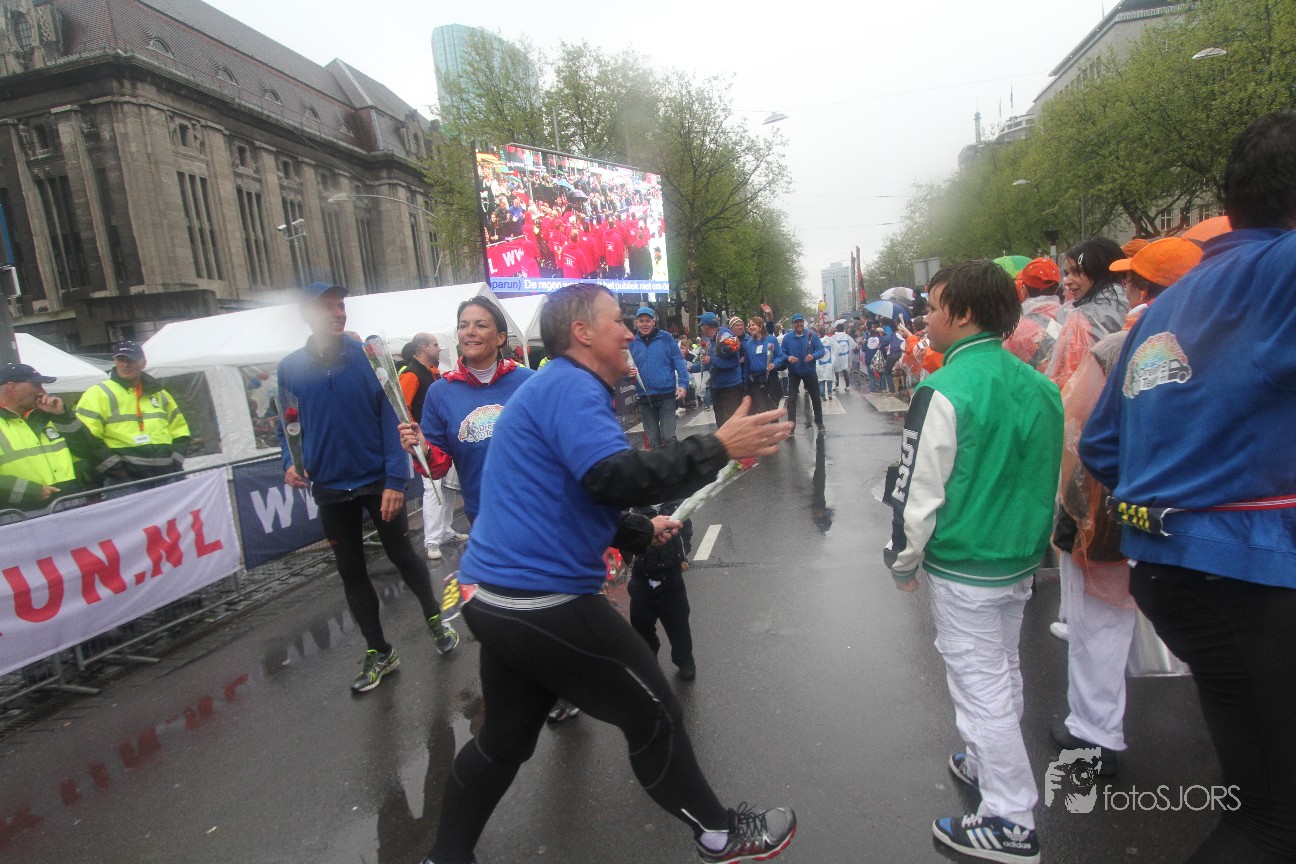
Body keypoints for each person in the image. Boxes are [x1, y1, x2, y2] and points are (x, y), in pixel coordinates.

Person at [423, 282, 796, 864]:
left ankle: (445, 857)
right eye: (616, 320)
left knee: (503, 743)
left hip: (497, 598)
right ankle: (721, 834)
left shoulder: (555, 384)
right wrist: (717, 447)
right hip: (537, 600)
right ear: (582, 332)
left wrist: (639, 532)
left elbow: (570, 490)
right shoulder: (571, 386)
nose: (628, 332)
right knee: (654, 713)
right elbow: (612, 477)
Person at [1079, 111, 1296, 864]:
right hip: (1249, 576)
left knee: (1263, 810)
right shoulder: (1281, 271)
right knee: (1273, 824)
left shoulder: (1166, 307)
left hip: (1179, 571)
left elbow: (1102, 445)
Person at [884, 261, 1062, 863]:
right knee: (1002, 669)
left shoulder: (943, 389)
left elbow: (916, 490)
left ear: (960, 314)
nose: (926, 318)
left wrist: (903, 561)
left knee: (979, 683)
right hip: (1018, 558)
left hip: (966, 563)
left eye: (933, 307)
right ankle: (988, 762)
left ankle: (1010, 817)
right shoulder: (1039, 385)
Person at [1050, 236, 1203, 780]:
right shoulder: (1232, 341)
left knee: (1100, 622)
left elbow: (1078, 432)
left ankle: (1095, 735)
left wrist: (1076, 508)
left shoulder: (1116, 345)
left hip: (1112, 510)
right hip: (1207, 516)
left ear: (1140, 287)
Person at [278, 282, 458, 694]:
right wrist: (290, 461)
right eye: (328, 307)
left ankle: (435, 619)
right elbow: (287, 421)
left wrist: (395, 480)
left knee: (402, 555)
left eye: (341, 305)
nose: (339, 312)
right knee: (350, 570)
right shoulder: (290, 368)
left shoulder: (369, 357)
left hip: (377, 481)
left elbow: (393, 415)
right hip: (329, 485)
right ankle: (379, 650)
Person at [1, 363, 121, 512]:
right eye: (36, 385)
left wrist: (63, 416)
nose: (42, 391)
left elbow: (87, 448)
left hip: (72, 504)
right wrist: (31, 491)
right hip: (24, 514)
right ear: (12, 387)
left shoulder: (48, 415)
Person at [75, 340, 190, 490]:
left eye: (131, 360)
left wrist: (175, 463)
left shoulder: (161, 394)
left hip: (166, 475)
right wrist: (115, 469)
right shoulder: (97, 393)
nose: (125, 365)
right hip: (124, 481)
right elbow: (86, 438)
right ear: (115, 362)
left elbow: (180, 431)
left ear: (143, 363)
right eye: (120, 360)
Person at [400, 333, 469, 563]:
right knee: (433, 489)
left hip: (440, 440)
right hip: (425, 442)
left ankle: (445, 530)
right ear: (423, 348)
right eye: (435, 345)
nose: (439, 349)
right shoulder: (411, 374)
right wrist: (414, 434)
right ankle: (431, 540)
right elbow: (402, 408)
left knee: (446, 488)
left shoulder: (432, 372)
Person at [1046, 238, 1128, 390]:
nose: (1067, 281)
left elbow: (1063, 378)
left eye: (1077, 272)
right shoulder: (1136, 305)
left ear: (1099, 272)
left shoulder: (1077, 318)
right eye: (1067, 273)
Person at [628, 501, 695, 681]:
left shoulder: (675, 506)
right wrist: (632, 560)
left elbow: (686, 530)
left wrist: (681, 555)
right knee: (641, 625)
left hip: (671, 579)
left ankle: (684, 660)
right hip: (641, 580)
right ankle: (649, 664)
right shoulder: (632, 510)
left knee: (678, 624)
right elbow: (623, 538)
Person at [629, 305, 690, 447]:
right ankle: (661, 462)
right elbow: (625, 370)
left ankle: (675, 461)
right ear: (636, 323)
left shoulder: (666, 338)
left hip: (666, 396)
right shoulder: (631, 343)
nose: (645, 324)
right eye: (641, 321)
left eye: (648, 321)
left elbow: (679, 362)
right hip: (645, 398)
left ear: (654, 322)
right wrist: (626, 372)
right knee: (653, 441)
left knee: (668, 436)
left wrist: (683, 384)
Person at [1004, 257, 1064, 373]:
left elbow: (1005, 365)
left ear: (1024, 290)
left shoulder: (1016, 328)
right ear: (1057, 288)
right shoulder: (1072, 317)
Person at [689, 311, 743, 428]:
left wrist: (712, 360)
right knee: (721, 423)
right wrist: (691, 368)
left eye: (701, 325)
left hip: (730, 388)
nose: (701, 328)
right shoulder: (712, 341)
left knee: (730, 424)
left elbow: (734, 362)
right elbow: (707, 363)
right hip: (717, 387)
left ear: (706, 326)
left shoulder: (725, 337)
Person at [780, 313, 825, 432]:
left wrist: (813, 356)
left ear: (803, 322)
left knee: (815, 397)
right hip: (794, 372)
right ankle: (791, 426)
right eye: (796, 322)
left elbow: (821, 350)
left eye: (800, 322)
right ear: (793, 324)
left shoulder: (812, 335)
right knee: (791, 399)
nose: (799, 324)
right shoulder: (787, 337)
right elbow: (781, 353)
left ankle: (819, 422)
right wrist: (788, 357)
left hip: (809, 371)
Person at [744, 316, 783, 412]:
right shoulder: (749, 344)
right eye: (750, 325)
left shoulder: (771, 339)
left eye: (753, 325)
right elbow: (747, 364)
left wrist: (774, 364)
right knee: (762, 410)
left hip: (771, 378)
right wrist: (746, 382)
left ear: (760, 326)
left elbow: (780, 355)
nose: (751, 327)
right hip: (757, 381)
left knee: (773, 409)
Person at [831, 323, 857, 392]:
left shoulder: (834, 337)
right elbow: (854, 345)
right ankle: (847, 386)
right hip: (846, 357)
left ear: (837, 329)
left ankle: (837, 386)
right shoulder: (847, 337)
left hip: (837, 357)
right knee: (845, 371)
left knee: (836, 371)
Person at [815, 329, 835, 400]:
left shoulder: (817, 341)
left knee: (821, 380)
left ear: (819, 333)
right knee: (829, 379)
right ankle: (829, 393)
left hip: (820, 364)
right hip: (829, 362)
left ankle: (822, 396)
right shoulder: (829, 340)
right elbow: (835, 349)